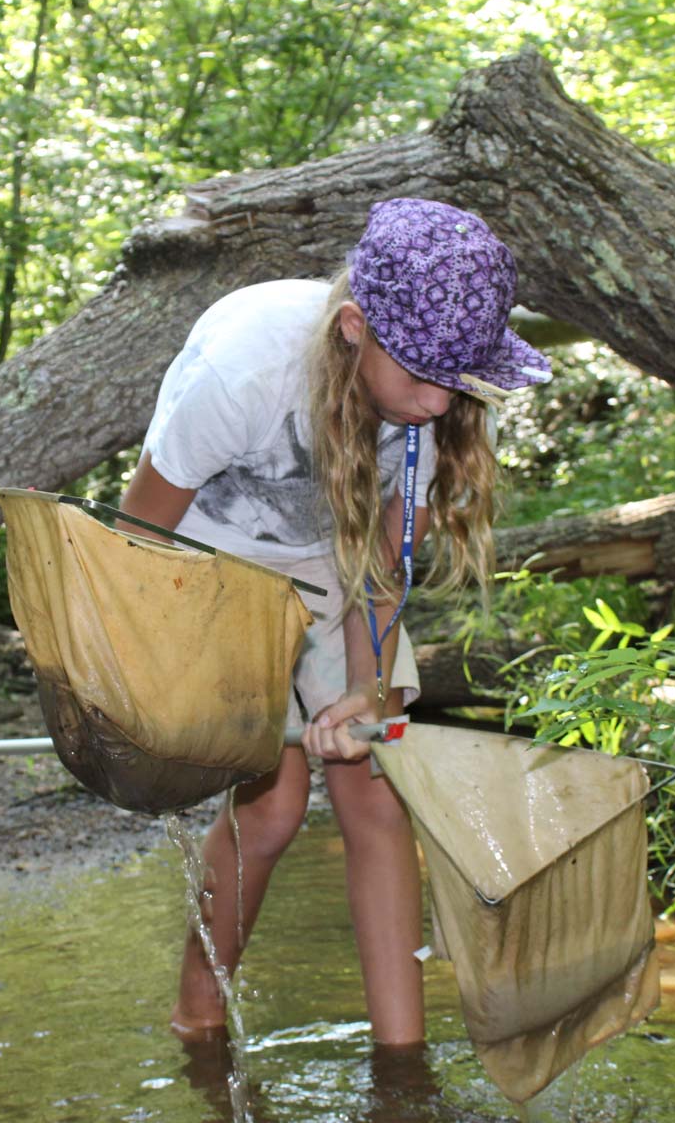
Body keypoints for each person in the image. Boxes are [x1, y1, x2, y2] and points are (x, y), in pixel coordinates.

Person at [118, 198, 551, 1049]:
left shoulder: (439, 397)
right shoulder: (247, 372)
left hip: (332, 557)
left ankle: (403, 1061)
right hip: (205, 556)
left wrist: (368, 689)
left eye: (456, 382)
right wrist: (149, 672)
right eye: (422, 377)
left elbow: (380, 563)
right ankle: (199, 1017)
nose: (438, 400)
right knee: (272, 809)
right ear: (354, 328)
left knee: (377, 785)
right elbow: (139, 532)